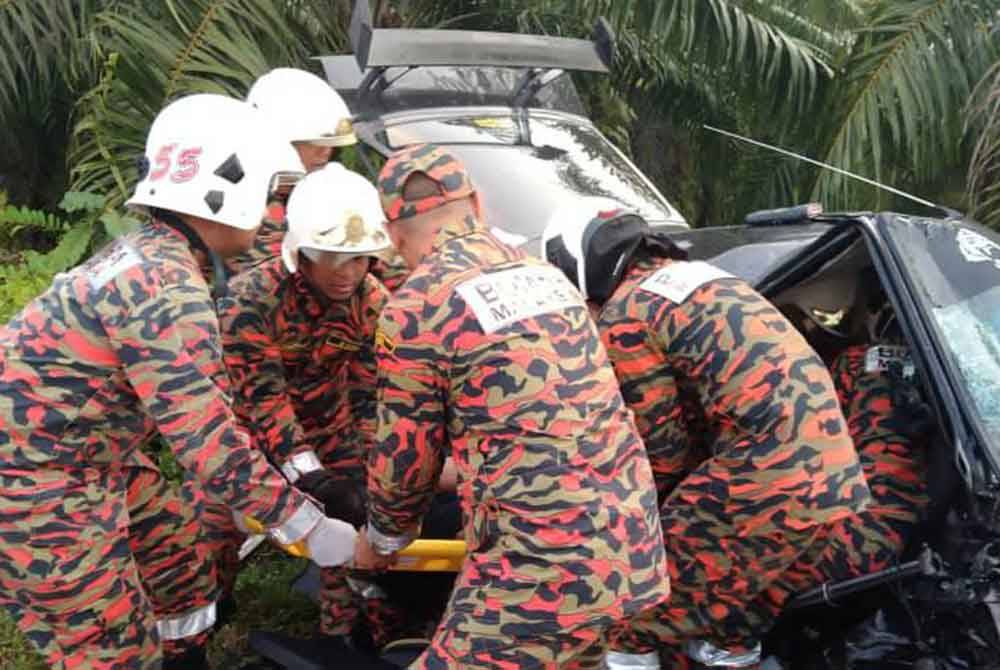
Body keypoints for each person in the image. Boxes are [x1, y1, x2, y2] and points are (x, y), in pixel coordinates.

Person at [0, 94, 358, 670]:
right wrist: (308, 526)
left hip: (93, 452)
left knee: (180, 568)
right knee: (108, 647)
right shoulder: (166, 290)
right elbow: (210, 447)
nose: (272, 214)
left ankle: (183, 657)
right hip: (35, 476)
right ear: (227, 191)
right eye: (270, 196)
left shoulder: (156, 255)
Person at [352, 144, 670, 668]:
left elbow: (405, 465)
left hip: (540, 570)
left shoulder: (416, 306)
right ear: (477, 203)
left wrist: (381, 541)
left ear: (390, 233)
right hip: (634, 550)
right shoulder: (549, 278)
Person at [542, 201, 871, 669]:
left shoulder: (626, 315)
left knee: (625, 620)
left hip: (764, 478)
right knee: (731, 630)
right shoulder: (710, 282)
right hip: (835, 483)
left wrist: (608, 524)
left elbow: (662, 453)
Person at [216, 163, 399, 646]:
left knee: (352, 513)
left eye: (359, 259)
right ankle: (212, 603)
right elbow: (262, 400)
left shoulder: (372, 302)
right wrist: (309, 476)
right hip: (244, 435)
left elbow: (366, 394)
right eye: (333, 257)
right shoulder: (251, 301)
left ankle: (343, 628)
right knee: (215, 529)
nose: (347, 273)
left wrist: (363, 470)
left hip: (329, 422)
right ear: (301, 252)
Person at [227, 67, 358, 274]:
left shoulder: (316, 190)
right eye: (313, 143)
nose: (325, 152)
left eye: (330, 144)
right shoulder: (252, 204)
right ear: (277, 142)